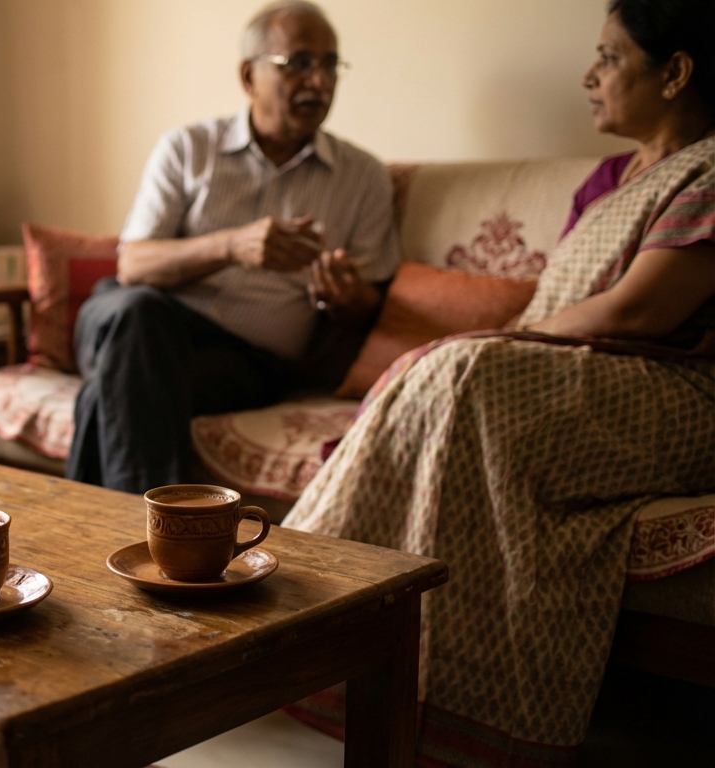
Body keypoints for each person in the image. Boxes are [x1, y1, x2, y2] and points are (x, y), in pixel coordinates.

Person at [284, 0, 715, 763]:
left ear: (676, 73)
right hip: (576, 370)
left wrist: (496, 342)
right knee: (455, 370)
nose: (589, 74)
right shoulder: (613, 179)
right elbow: (566, 301)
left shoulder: (711, 168)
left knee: (468, 369)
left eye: (610, 57)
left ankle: (346, 640)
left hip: (672, 390)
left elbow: (642, 309)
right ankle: (321, 632)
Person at [67, 0, 399, 494]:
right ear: (249, 76)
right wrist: (230, 247)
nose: (320, 82)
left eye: (330, 65)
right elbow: (133, 264)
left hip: (246, 362)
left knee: (117, 384)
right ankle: (160, 534)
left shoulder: (363, 177)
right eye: (300, 64)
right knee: (137, 316)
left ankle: (120, 531)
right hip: (135, 317)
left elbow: (374, 302)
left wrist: (350, 298)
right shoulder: (187, 148)